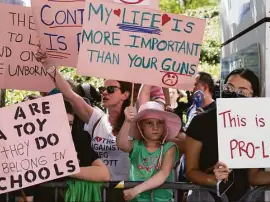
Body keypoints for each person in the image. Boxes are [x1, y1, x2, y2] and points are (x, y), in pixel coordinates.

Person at [185, 68, 270, 202]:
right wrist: (213, 180)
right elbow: (191, 170)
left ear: (254, 97)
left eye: (242, 91)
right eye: (229, 88)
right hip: (205, 197)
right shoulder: (200, 122)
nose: (234, 94)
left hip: (244, 197)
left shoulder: (257, 125)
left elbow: (253, 177)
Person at [35, 47, 131, 201]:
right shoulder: (97, 118)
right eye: (102, 89)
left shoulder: (134, 121)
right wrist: (49, 67)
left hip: (124, 190)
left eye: (111, 89)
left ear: (125, 95)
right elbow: (69, 94)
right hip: (96, 190)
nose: (104, 92)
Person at [117, 101, 181, 201]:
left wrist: (136, 190)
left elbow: (163, 174)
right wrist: (127, 121)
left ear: (164, 126)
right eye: (149, 123)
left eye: (159, 123)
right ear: (141, 126)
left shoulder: (169, 147)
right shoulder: (136, 145)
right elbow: (121, 144)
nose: (155, 127)